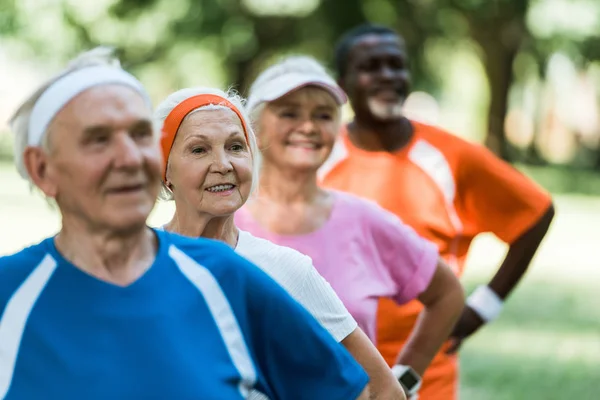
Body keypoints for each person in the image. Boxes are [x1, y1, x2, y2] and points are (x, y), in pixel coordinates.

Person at [0, 47, 370, 400]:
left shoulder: (227, 276)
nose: (129, 157)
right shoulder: (10, 292)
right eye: (98, 140)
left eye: (140, 135)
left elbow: (362, 391)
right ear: (42, 170)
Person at [320, 23, 555, 399]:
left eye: (396, 65)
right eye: (371, 66)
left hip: (425, 370)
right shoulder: (319, 156)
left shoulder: (450, 157)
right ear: (342, 83)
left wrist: (483, 307)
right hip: (332, 362)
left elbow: (536, 213)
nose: (387, 76)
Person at [155, 87, 405, 400]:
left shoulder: (287, 270)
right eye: (198, 150)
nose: (223, 164)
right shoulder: (134, 262)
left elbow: (383, 390)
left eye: (235, 147)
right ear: (165, 170)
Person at [238, 55, 465, 399]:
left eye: (324, 115)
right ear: (252, 126)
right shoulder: (224, 220)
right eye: (289, 113)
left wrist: (402, 380)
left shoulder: (364, 220)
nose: (309, 127)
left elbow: (447, 293)